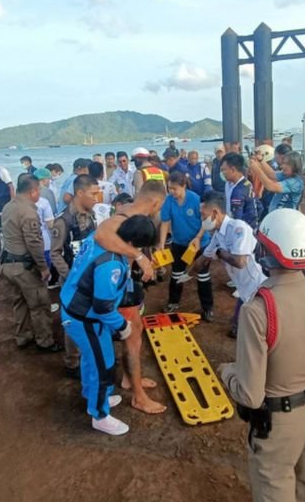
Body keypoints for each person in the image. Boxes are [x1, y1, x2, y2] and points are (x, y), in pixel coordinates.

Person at [219, 209, 305, 502]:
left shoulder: (257, 310)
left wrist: (226, 372)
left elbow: (250, 395)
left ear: (265, 252)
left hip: (276, 425)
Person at [60, 215, 158, 436]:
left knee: (91, 358)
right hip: (85, 318)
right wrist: (122, 325)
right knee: (104, 365)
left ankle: (92, 395)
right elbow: (103, 306)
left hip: (75, 308)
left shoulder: (100, 242)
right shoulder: (111, 263)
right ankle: (100, 415)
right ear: (132, 243)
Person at [94, 181, 169, 413]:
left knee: (135, 333)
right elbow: (101, 234)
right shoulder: (123, 217)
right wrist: (139, 257)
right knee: (133, 337)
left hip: (127, 283)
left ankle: (129, 379)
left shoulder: (132, 213)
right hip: (117, 287)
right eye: (161, 206)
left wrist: (144, 257)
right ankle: (138, 396)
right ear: (156, 202)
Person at [187, 192, 267, 338]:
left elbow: (240, 262)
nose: (201, 219)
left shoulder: (238, 229)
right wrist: (186, 275)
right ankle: (237, 327)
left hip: (257, 287)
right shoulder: (217, 235)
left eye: (203, 215)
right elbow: (204, 258)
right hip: (243, 287)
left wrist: (220, 252)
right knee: (238, 325)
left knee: (254, 331)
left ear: (215, 213)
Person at [0, 174, 61, 352]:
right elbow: (34, 243)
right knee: (39, 305)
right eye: (38, 191)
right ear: (33, 191)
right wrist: (43, 267)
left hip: (9, 263)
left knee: (20, 302)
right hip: (25, 267)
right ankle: (45, 341)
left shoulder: (8, 206)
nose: (39, 194)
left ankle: (23, 336)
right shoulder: (28, 212)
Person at [50, 174, 101, 375]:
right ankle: (72, 362)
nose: (96, 198)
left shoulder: (91, 215)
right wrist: (71, 276)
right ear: (80, 193)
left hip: (90, 277)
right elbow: (55, 253)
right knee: (73, 320)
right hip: (73, 281)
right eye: (93, 194)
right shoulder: (64, 221)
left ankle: (90, 353)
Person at [159, 172, 213, 319]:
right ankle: (173, 302)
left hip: (199, 244)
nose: (171, 192)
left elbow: (205, 221)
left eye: (174, 189)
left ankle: (207, 308)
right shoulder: (169, 200)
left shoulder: (195, 199)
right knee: (176, 274)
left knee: (203, 275)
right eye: (169, 188)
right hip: (179, 243)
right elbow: (165, 222)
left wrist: (198, 237)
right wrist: (162, 244)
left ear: (183, 186)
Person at [221, 152, 262, 230]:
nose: (222, 173)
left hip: (242, 229)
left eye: (224, 170)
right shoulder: (229, 184)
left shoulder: (239, 191)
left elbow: (237, 217)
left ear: (233, 170)